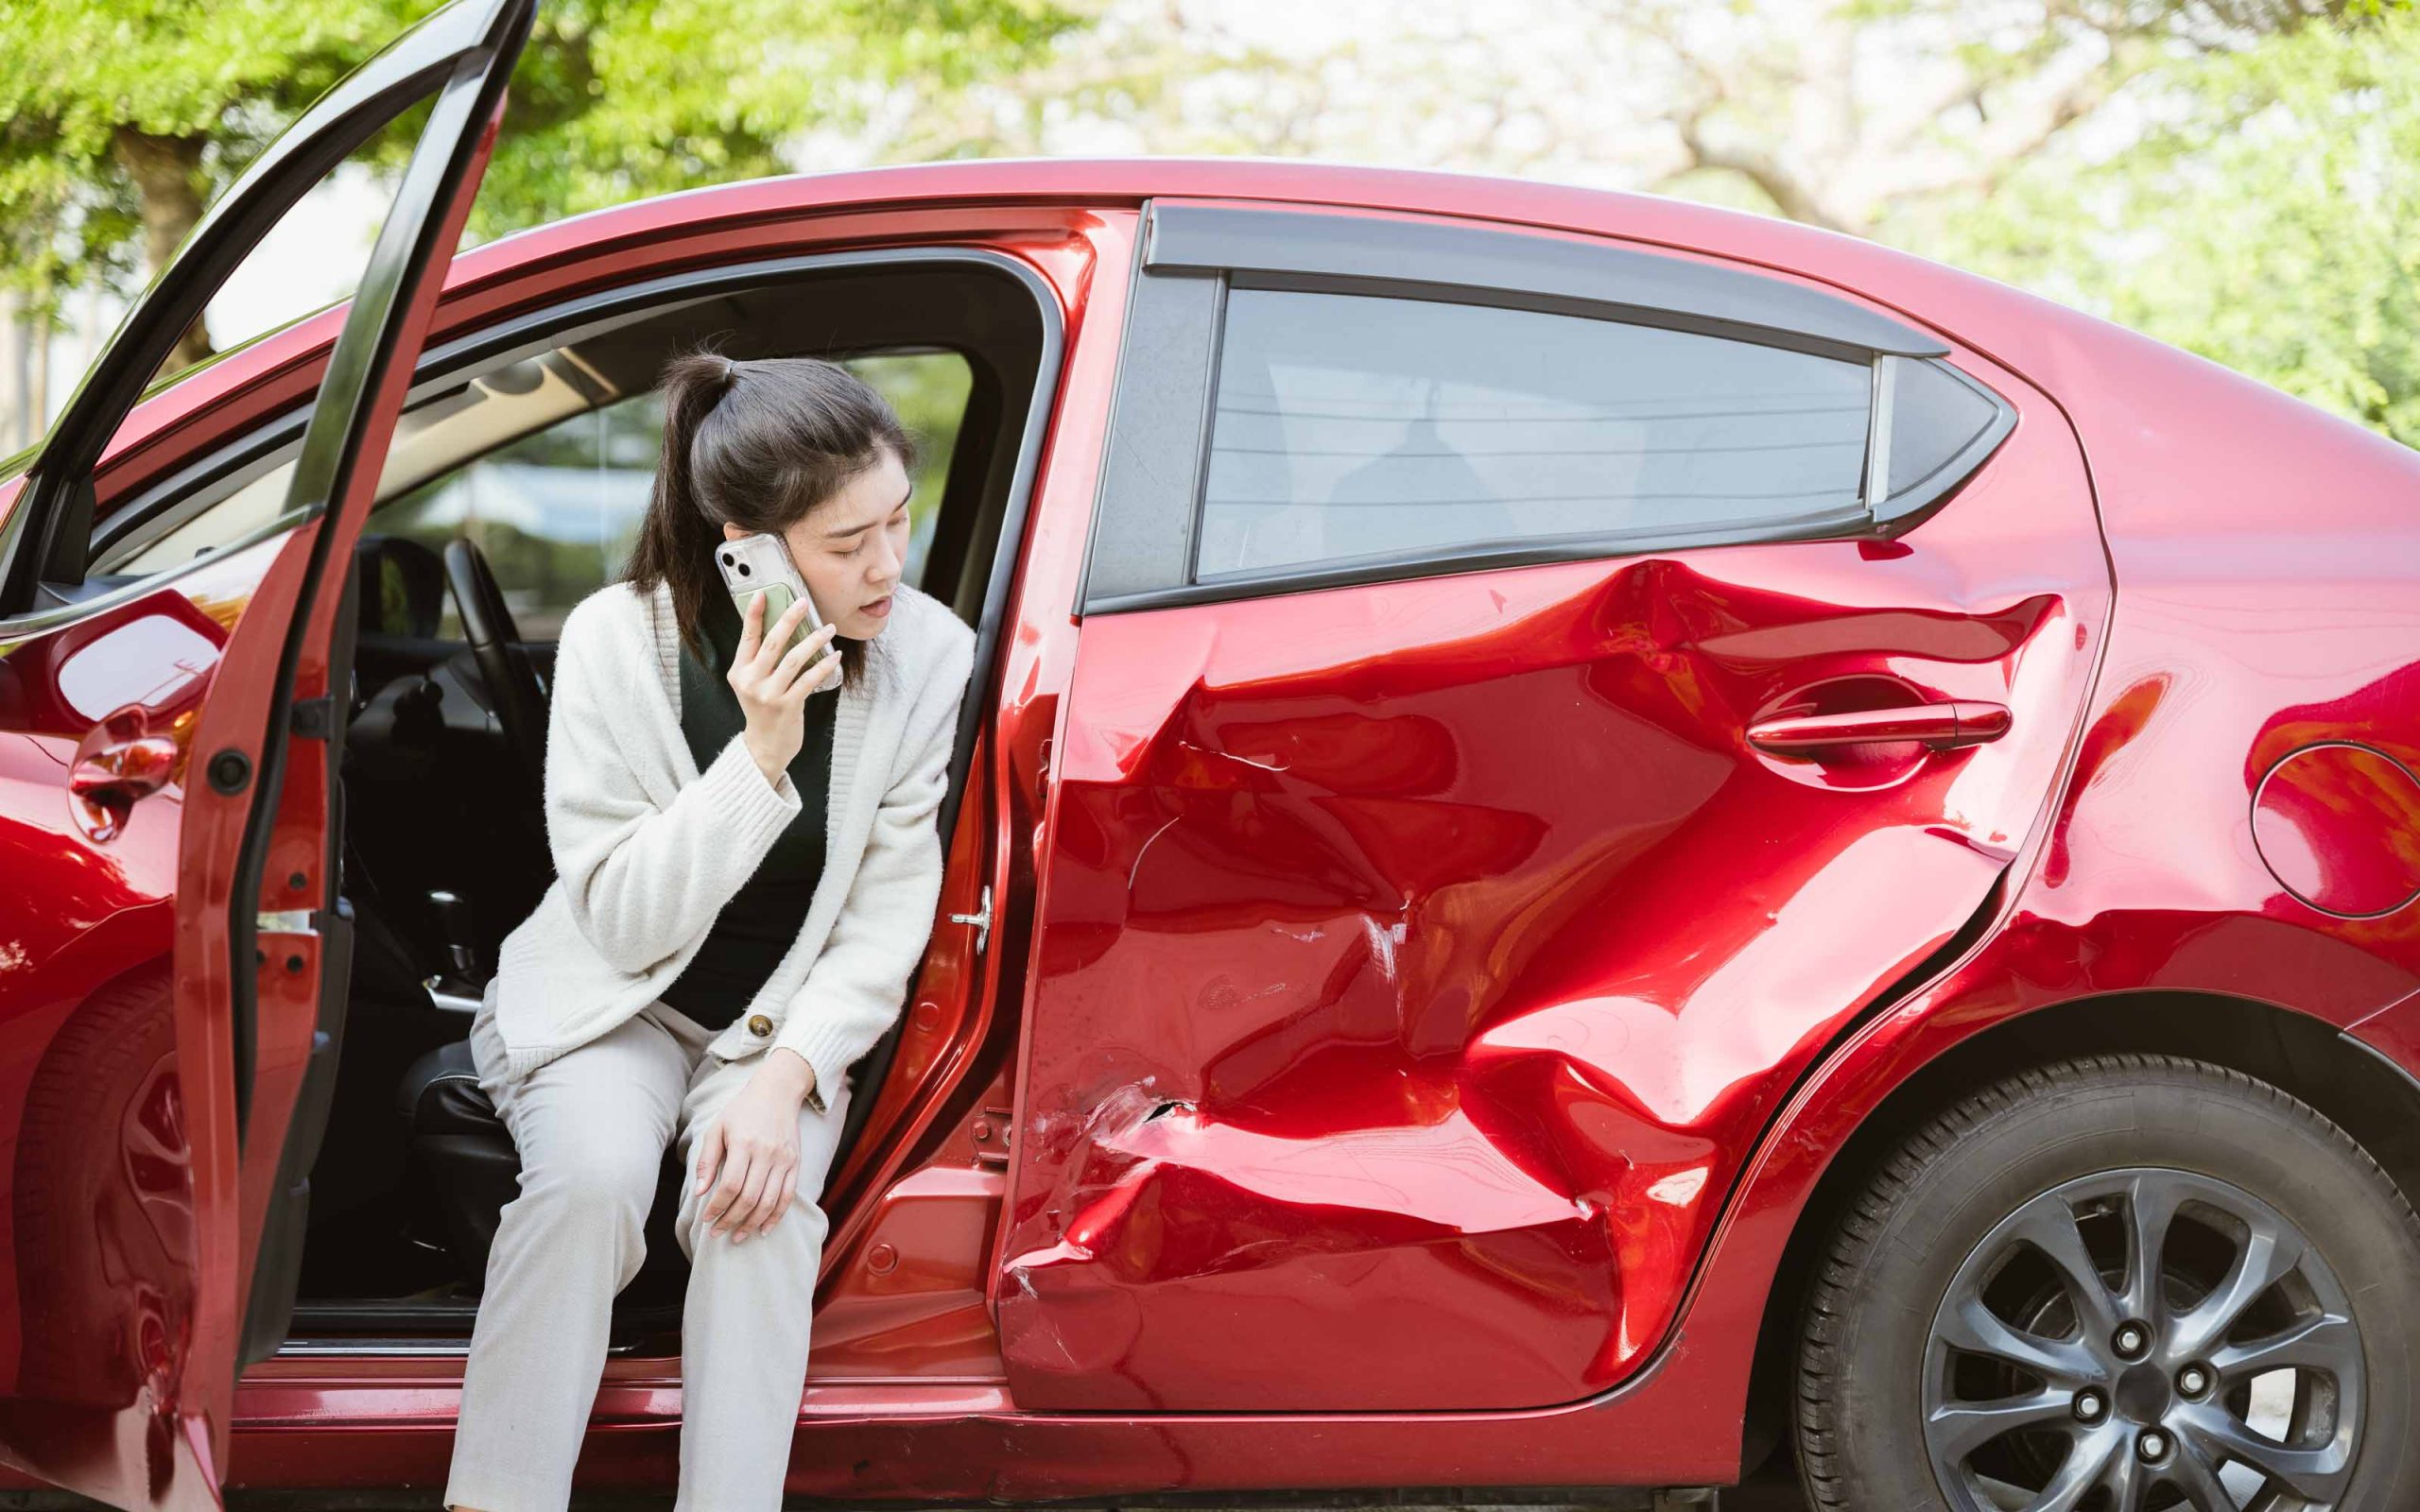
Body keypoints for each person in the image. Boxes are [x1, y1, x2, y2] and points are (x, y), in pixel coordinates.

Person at [442, 346, 977, 1512]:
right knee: (587, 1183)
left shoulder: (930, 654)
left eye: (898, 518)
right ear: (747, 540)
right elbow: (625, 921)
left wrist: (785, 1078)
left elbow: (889, 913)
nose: (889, 563)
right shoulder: (609, 642)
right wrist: (761, 754)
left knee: (759, 1211)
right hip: (610, 1004)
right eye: (847, 544)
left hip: (771, 1025)